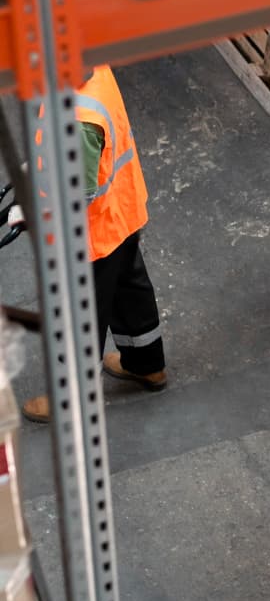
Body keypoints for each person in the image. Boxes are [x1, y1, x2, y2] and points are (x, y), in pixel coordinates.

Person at [23, 66, 166, 422]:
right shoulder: (96, 72)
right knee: (128, 288)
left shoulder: (80, 117)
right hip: (120, 211)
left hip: (90, 237)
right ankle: (146, 364)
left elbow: (77, 195)